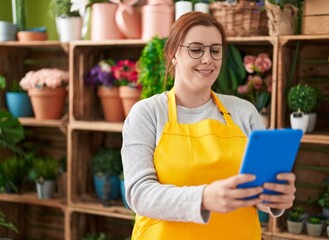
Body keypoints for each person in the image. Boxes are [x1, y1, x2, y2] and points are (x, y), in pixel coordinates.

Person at [121, 11, 296, 240]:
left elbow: (258, 189)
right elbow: (139, 194)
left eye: (215, 50)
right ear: (174, 54)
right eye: (196, 49)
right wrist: (204, 198)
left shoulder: (244, 112)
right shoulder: (147, 114)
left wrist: (275, 197)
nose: (207, 59)